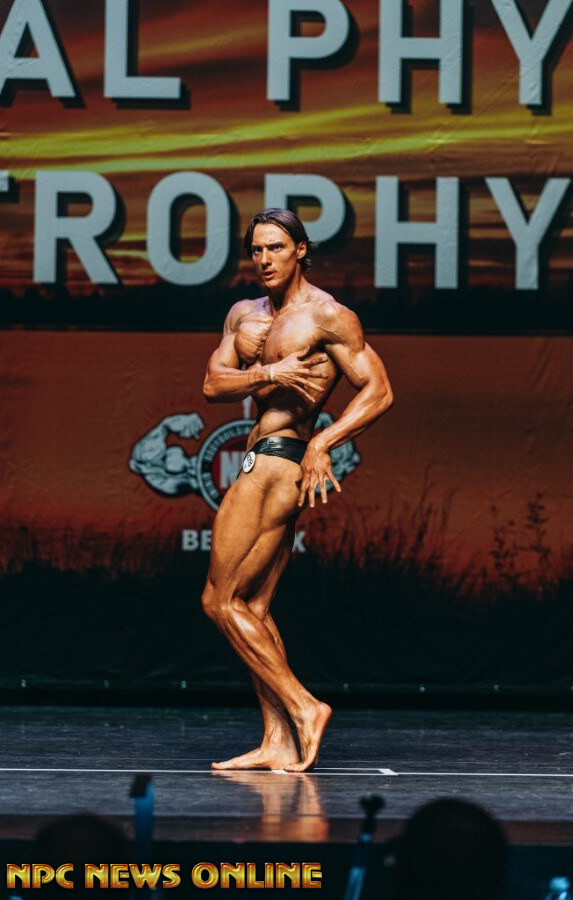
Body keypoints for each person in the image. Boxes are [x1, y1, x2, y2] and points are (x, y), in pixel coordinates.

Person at [201, 208, 393, 772]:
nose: (264, 259)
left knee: (218, 600)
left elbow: (379, 391)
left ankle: (305, 707)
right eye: (256, 250)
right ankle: (277, 741)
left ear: (301, 250)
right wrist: (268, 373)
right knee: (255, 607)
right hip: (261, 459)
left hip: (278, 462)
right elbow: (212, 383)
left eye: (276, 248)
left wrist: (324, 441)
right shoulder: (244, 315)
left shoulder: (327, 316)